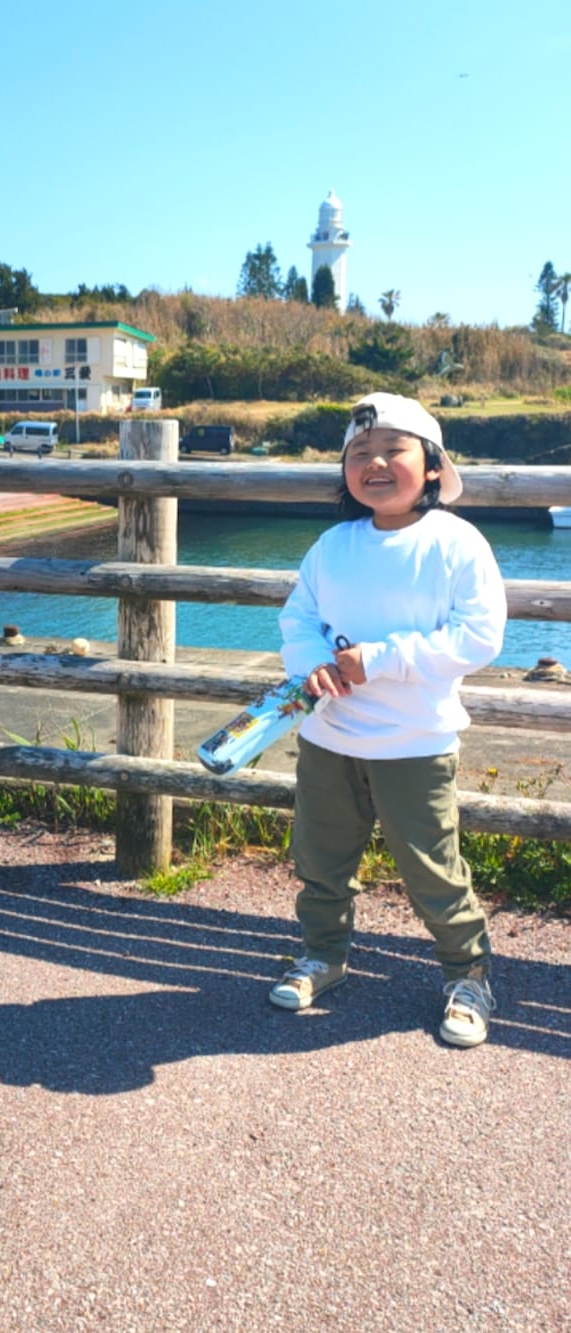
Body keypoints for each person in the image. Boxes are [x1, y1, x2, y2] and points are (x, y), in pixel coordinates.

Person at [270, 392, 507, 1047]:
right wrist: (313, 659)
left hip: (415, 742)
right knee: (321, 859)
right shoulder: (333, 544)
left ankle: (470, 975)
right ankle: (324, 955)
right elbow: (298, 617)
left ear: (432, 466)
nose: (375, 463)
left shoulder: (455, 542)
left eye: (393, 450)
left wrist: (382, 659)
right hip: (329, 735)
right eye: (359, 453)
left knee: (433, 869)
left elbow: (481, 635)